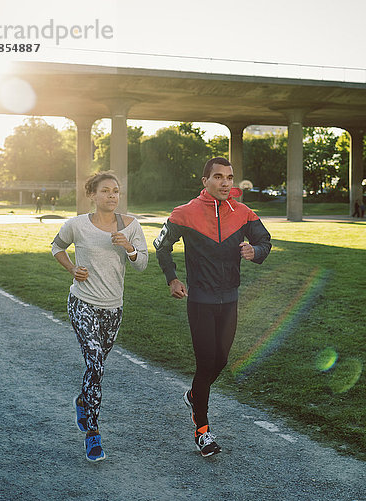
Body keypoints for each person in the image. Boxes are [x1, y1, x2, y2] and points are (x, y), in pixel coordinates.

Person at [154, 157, 272, 457]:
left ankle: (195, 395)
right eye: (218, 177)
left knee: (220, 361)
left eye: (229, 177)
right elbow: (162, 245)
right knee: (206, 363)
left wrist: (254, 249)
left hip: (230, 299)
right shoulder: (185, 213)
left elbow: (264, 240)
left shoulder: (243, 213)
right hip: (200, 301)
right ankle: (202, 431)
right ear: (205, 180)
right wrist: (172, 280)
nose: (225, 183)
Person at [51, 171, 148, 462]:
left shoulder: (130, 226)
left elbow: (142, 264)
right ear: (92, 195)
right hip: (82, 302)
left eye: (116, 191)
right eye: (105, 191)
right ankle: (93, 434)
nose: (112, 196)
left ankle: (83, 399)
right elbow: (57, 247)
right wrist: (72, 269)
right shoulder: (77, 225)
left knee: (98, 366)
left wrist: (129, 248)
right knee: (95, 363)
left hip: (113, 307)